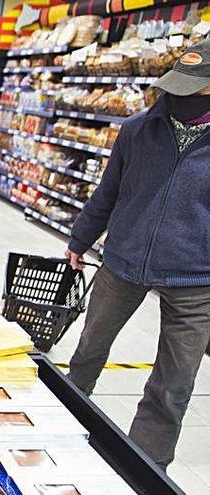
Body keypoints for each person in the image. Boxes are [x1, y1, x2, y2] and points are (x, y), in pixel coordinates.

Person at [64, 40, 210, 470]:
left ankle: (146, 465)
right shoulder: (136, 129)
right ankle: (65, 422)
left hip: (197, 276)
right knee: (88, 352)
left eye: (192, 90)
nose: (177, 99)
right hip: (122, 261)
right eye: (174, 87)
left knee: (173, 384)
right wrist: (80, 238)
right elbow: (108, 192)